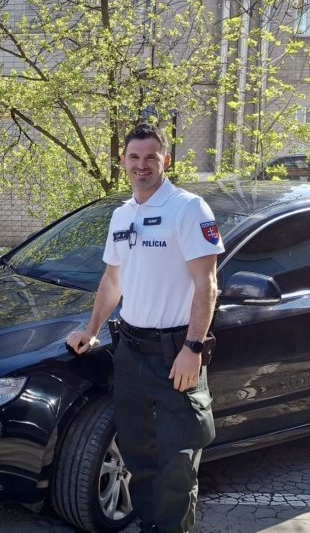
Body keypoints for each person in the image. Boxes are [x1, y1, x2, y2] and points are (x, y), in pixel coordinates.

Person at [67, 123, 224, 533]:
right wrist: (92, 328)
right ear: (123, 161)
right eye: (134, 157)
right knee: (138, 454)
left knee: (177, 461)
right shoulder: (122, 215)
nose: (142, 165)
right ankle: (150, 526)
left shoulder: (188, 209)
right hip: (130, 352)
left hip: (176, 354)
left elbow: (207, 285)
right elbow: (112, 280)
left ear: (165, 160)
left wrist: (193, 347)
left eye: (150, 157)